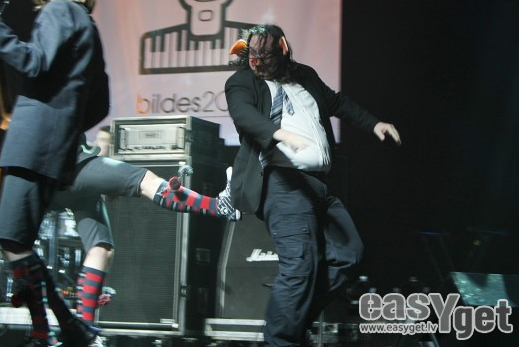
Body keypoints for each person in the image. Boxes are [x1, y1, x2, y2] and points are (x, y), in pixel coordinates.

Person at [225, 24, 401, 347]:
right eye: (254, 57)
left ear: (282, 50)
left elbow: (337, 102)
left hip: (319, 185)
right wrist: (277, 133)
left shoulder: (304, 76)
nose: (259, 63)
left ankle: (293, 325)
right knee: (300, 266)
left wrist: (374, 123)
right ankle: (281, 339)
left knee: (349, 254)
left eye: (266, 56)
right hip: (283, 183)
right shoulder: (242, 83)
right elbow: (243, 114)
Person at [0, 0, 109, 347]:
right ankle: (58, 328)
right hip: (51, 147)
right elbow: (100, 103)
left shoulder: (58, 11)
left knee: (12, 238)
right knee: (17, 239)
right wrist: (64, 128)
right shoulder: (84, 22)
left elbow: (33, 62)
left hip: (33, 147)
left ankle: (57, 328)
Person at [48, 126, 239, 347]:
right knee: (147, 181)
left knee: (101, 249)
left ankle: (85, 334)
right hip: (74, 167)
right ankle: (219, 206)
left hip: (60, 183)